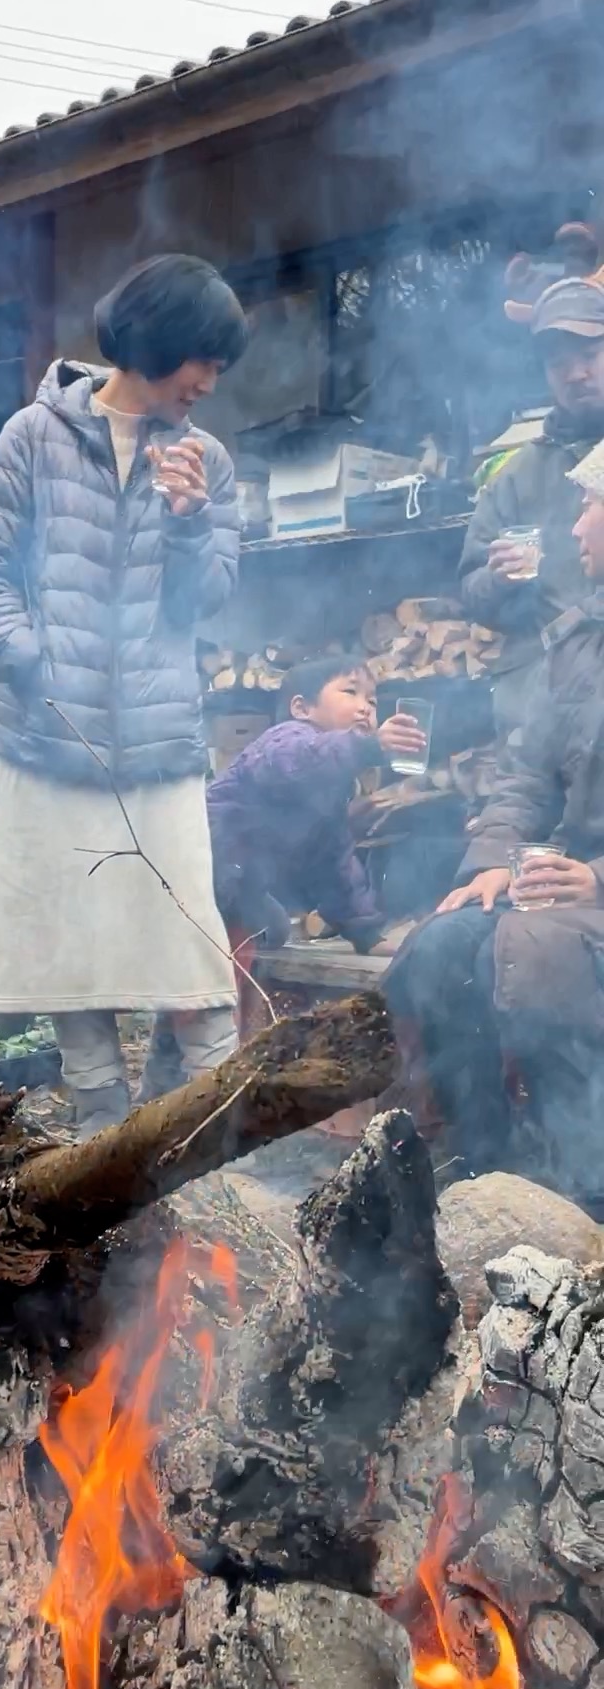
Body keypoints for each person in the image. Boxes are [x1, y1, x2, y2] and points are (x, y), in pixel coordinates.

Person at [0, 253, 248, 1133]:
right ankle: (100, 1125)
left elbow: (207, 601)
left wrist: (191, 522)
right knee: (66, 950)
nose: (209, 383)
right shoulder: (31, 437)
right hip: (45, 738)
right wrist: (25, 655)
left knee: (189, 946)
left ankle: (224, 1129)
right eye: (204, 361)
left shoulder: (207, 460)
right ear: (161, 340)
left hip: (159, 743)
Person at [385, 434, 604, 1209]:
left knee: (533, 952)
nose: (575, 525)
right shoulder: (578, 645)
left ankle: (585, 1184)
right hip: (561, 878)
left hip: (589, 890)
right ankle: (485, 1167)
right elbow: (525, 776)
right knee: (440, 946)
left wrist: (595, 878)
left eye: (590, 504)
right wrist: (491, 862)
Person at [140, 657, 426, 1097]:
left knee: (270, 931)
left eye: (372, 700)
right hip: (205, 875)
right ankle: (197, 1085)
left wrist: (365, 932)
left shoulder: (332, 784)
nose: (366, 707)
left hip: (242, 885)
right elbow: (295, 763)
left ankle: (167, 1073)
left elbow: (334, 861)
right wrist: (368, 748)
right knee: (213, 987)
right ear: (301, 707)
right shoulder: (285, 742)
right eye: (350, 692)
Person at [459, 251, 604, 742]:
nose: (575, 374)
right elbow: (473, 592)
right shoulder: (517, 475)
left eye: (589, 356)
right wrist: (498, 581)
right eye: (559, 363)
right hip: (543, 716)